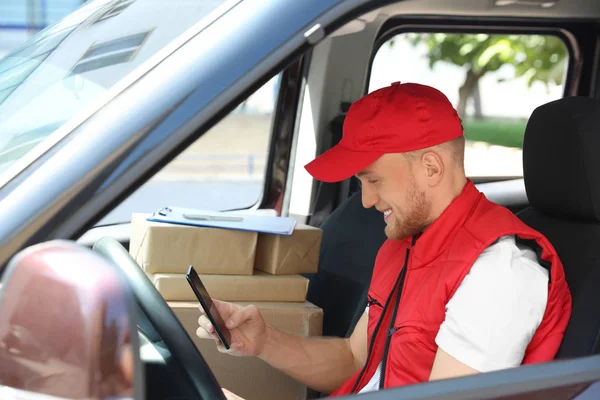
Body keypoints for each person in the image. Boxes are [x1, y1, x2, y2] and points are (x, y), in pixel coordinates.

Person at [197, 82, 572, 399]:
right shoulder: (405, 245)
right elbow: (354, 360)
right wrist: (264, 342)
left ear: (431, 167)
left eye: (373, 180)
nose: (365, 201)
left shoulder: (499, 272)